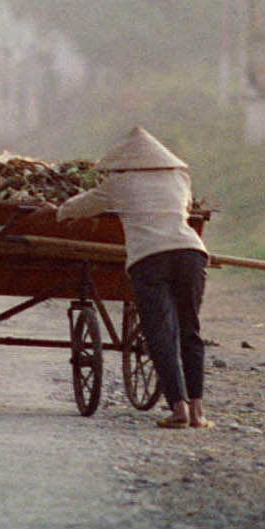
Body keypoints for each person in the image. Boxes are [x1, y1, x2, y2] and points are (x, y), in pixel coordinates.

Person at [56, 126, 211, 429]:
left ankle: (178, 408)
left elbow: (82, 206)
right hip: (191, 253)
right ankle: (199, 412)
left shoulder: (120, 183)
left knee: (160, 333)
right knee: (189, 329)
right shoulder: (180, 178)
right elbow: (186, 207)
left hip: (150, 259)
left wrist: (60, 212)